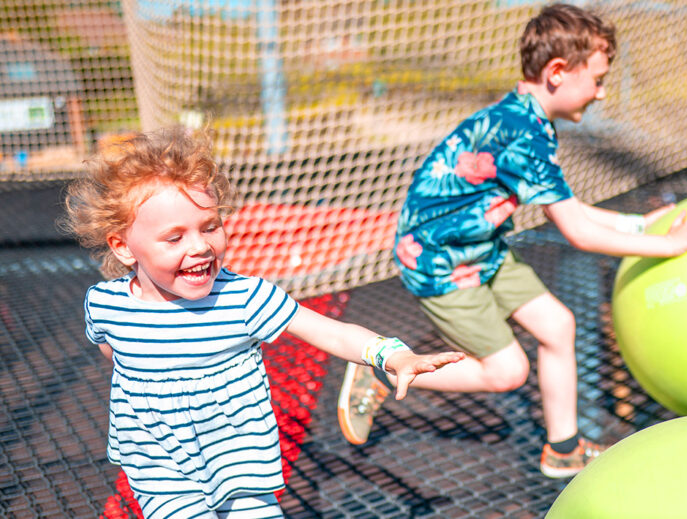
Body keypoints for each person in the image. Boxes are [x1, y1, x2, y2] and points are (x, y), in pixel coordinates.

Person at [337, 2, 687, 479]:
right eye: (598, 80)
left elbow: (571, 207)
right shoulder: (525, 137)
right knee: (508, 372)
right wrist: (675, 244)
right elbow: (579, 232)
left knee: (557, 325)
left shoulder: (525, 120)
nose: (602, 94)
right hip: (439, 265)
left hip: (482, 252)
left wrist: (640, 226)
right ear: (558, 72)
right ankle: (385, 371)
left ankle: (562, 449)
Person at [62, 127, 464, 518]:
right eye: (174, 238)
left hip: (238, 457)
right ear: (123, 246)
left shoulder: (242, 297)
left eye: (210, 227)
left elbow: (327, 330)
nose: (200, 246)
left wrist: (391, 355)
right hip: (162, 465)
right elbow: (114, 352)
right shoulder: (106, 305)